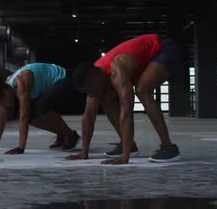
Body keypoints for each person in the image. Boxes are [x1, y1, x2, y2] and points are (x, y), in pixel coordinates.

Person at [67, 33, 181, 165]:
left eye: (90, 92)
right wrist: (84, 152)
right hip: (142, 61)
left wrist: (125, 157)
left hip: (163, 48)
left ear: (97, 79)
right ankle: (128, 144)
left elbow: (126, 112)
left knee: (142, 90)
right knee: (106, 98)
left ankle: (169, 148)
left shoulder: (118, 70)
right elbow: (88, 115)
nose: (91, 96)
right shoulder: (96, 75)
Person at [0, 63, 81, 154]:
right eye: (1, 104)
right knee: (32, 118)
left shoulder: (20, 83)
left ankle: (70, 135)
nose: (5, 105)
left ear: (6, 92)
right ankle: (64, 133)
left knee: (41, 108)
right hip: (47, 86)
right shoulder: (5, 89)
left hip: (64, 78)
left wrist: (21, 147)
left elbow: (23, 116)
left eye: (3, 101)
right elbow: (1, 120)